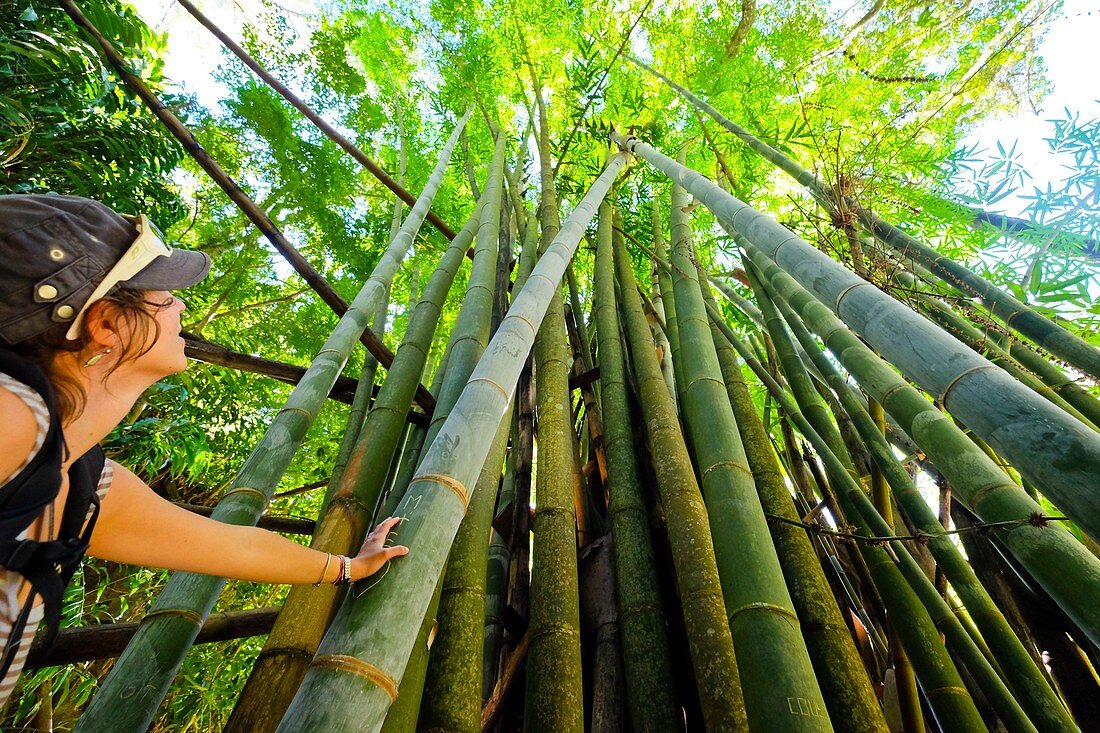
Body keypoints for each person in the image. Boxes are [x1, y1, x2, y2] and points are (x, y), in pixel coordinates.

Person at [0, 194, 408, 705]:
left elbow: (236, 546)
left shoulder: (76, 484)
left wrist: (350, 567)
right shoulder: (14, 416)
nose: (181, 305)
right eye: (163, 294)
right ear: (105, 324)